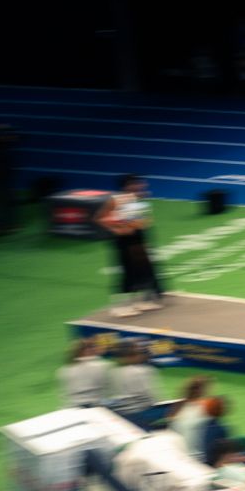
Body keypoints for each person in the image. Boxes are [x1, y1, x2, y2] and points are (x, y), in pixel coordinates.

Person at [95, 175, 163, 316]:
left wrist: (142, 226)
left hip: (138, 239)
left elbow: (141, 221)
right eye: (138, 184)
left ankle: (141, 302)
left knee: (142, 270)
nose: (142, 186)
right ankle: (119, 306)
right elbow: (99, 218)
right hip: (124, 241)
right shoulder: (116, 200)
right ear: (128, 186)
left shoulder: (138, 199)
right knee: (127, 272)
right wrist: (116, 229)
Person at [105, 340, 159, 426]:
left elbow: (109, 398)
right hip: (139, 414)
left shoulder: (111, 372)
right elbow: (151, 397)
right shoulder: (142, 371)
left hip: (118, 414)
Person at [57, 337, 110, 409]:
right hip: (96, 407)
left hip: (73, 408)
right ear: (86, 351)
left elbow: (64, 395)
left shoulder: (63, 371)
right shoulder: (100, 366)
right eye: (91, 348)